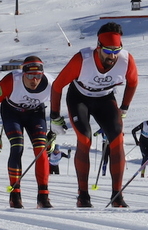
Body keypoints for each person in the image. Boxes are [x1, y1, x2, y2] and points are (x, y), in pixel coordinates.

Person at [51, 23, 138, 208]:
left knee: (117, 139)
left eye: (116, 50)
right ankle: (83, 195)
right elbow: (57, 85)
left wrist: (124, 108)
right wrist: (54, 116)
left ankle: (117, 196)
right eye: (108, 50)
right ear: (99, 47)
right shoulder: (81, 59)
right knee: (85, 138)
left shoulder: (126, 60)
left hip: (105, 99)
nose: (112, 56)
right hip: (79, 98)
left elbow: (133, 82)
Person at [0, 55, 55, 209]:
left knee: (41, 150)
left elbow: (56, 107)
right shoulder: (12, 80)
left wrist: (53, 131)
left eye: (38, 76)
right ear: (23, 74)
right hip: (12, 114)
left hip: (36, 114)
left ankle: (43, 196)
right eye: (30, 76)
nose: (34, 80)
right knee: (17, 146)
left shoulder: (50, 83)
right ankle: (15, 194)